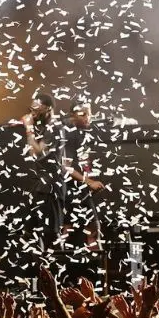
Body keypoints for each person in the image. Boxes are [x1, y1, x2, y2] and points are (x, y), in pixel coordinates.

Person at [21, 93, 66, 252]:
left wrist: (29, 129)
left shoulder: (55, 128)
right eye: (31, 109)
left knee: (50, 236)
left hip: (50, 189)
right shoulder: (45, 127)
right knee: (29, 233)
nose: (32, 113)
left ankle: (58, 266)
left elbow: (37, 152)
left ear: (48, 109)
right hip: (41, 187)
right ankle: (38, 264)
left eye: (36, 109)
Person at [61, 99, 105, 250]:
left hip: (80, 186)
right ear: (73, 115)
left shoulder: (81, 131)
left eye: (89, 114)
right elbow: (65, 167)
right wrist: (89, 182)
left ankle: (96, 261)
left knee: (92, 227)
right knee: (68, 228)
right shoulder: (67, 133)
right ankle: (56, 259)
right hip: (68, 187)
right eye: (83, 114)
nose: (88, 118)